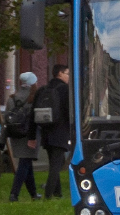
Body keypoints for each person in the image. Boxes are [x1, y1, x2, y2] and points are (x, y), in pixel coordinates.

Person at [38, 64, 72, 199]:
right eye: (67, 73)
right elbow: (68, 111)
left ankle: (58, 193)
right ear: (60, 74)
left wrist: (32, 135)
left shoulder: (43, 89)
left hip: (46, 131)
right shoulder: (64, 90)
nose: (68, 76)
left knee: (55, 161)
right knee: (55, 166)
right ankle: (48, 196)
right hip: (60, 131)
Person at [6, 72, 40, 202]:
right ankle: (14, 194)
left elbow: (7, 118)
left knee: (26, 163)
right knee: (24, 164)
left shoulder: (12, 98)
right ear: (33, 83)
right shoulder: (35, 97)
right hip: (30, 135)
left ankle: (33, 193)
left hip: (16, 135)